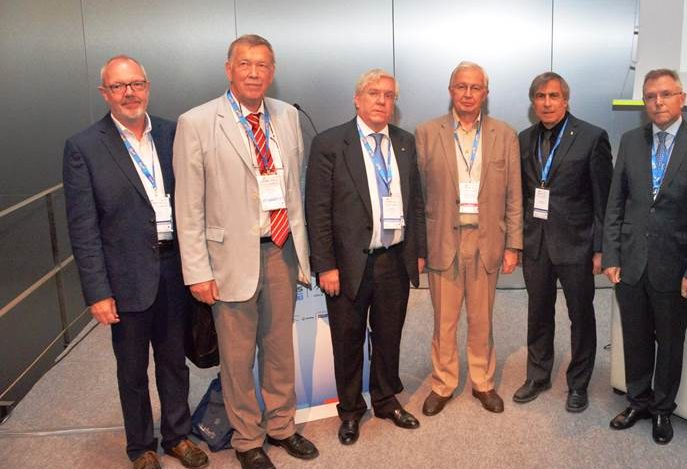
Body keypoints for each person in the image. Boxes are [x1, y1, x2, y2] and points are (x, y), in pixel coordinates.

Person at [173, 34, 317, 469]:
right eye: (246, 64)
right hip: (228, 259)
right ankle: (247, 439)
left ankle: (282, 427)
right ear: (229, 68)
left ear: (273, 72)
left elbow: (293, 190)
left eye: (263, 65)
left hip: (280, 249)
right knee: (237, 358)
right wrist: (197, 270)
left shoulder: (288, 116)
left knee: (279, 349)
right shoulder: (197, 122)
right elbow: (189, 206)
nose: (255, 72)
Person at [63, 55, 209, 469]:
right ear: (104, 93)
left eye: (136, 84)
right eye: (118, 86)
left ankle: (178, 436)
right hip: (124, 278)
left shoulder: (172, 132)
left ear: (148, 86)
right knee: (132, 370)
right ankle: (141, 447)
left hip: (174, 268)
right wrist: (98, 292)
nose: (129, 93)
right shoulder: (84, 147)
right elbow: (83, 228)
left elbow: (194, 201)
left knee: (174, 362)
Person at [603, 69, 687, 445]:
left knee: (670, 343)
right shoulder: (630, 140)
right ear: (644, 101)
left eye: (666, 94)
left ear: (682, 98)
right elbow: (616, 204)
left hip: (676, 269)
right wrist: (611, 255)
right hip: (632, 262)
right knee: (636, 338)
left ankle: (661, 410)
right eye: (651, 96)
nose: (658, 102)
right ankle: (638, 401)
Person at [306, 69, 426, 446]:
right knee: (348, 338)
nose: (381, 101)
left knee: (389, 335)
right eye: (373, 93)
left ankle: (387, 399)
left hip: (394, 259)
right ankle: (351, 410)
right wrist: (325, 264)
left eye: (389, 95)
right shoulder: (330, 143)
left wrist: (417, 252)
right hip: (348, 264)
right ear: (357, 100)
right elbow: (318, 209)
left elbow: (416, 203)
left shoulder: (405, 143)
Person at [415, 61, 522, 416]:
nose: (468, 94)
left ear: (486, 94)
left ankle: (483, 382)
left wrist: (513, 245)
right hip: (443, 238)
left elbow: (514, 196)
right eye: (461, 86)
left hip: (487, 240)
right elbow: (417, 196)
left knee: (482, 318)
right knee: (444, 320)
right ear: (450, 90)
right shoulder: (426, 133)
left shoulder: (504, 135)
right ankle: (443, 383)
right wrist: (417, 247)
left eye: (476, 88)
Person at [512, 72, 612, 412]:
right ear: (533, 102)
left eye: (554, 96)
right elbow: (523, 195)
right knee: (538, 314)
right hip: (536, 243)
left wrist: (601, 248)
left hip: (577, 244)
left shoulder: (591, 137)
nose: (547, 103)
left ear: (566, 100)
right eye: (540, 96)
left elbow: (604, 199)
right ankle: (538, 376)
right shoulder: (523, 139)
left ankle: (578, 383)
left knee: (580, 316)